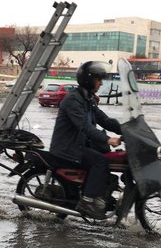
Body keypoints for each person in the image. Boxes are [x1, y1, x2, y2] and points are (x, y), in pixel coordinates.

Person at [50, 61, 122, 219]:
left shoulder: (87, 99)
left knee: (110, 158)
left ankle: (99, 195)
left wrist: (127, 129)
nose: (101, 83)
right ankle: (87, 201)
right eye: (99, 79)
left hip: (80, 144)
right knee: (100, 161)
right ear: (89, 79)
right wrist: (108, 139)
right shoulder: (73, 100)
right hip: (68, 148)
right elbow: (84, 126)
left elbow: (104, 120)